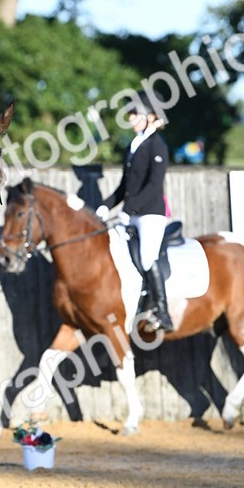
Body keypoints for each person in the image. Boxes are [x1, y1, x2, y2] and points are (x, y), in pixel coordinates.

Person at [96, 94, 174, 331]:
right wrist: (103, 207)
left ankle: (161, 310)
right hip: (132, 213)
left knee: (148, 256)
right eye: (130, 114)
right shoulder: (134, 146)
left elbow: (154, 186)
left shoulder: (157, 145)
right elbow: (124, 187)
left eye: (135, 114)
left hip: (151, 214)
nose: (130, 119)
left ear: (151, 117)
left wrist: (130, 210)